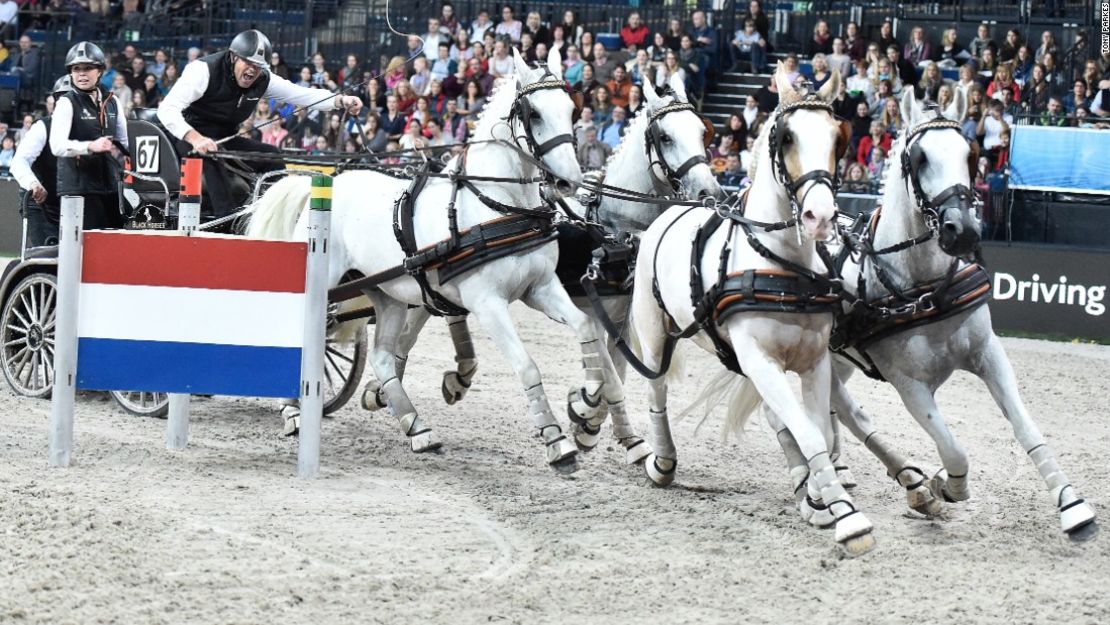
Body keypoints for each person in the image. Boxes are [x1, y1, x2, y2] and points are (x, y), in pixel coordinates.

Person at [157, 30, 362, 216]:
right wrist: (195, 138)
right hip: (188, 136)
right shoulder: (203, 70)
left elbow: (302, 94)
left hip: (224, 137)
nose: (253, 71)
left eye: (258, 66)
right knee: (212, 155)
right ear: (233, 57)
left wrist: (340, 101)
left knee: (272, 156)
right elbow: (167, 109)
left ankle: (273, 215)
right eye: (248, 63)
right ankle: (226, 219)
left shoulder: (263, 79)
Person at [49, 43, 128, 230]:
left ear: (100, 70)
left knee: (116, 240)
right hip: (79, 189)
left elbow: (125, 142)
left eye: (88, 68)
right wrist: (89, 146)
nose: (82, 74)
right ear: (70, 73)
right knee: (86, 248)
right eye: (77, 69)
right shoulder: (67, 102)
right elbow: (57, 145)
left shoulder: (113, 101)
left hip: (110, 184)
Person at [13, 76, 68, 246]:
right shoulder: (43, 127)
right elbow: (19, 161)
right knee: (47, 253)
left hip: (70, 205)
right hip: (40, 204)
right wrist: (33, 183)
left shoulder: (92, 131)